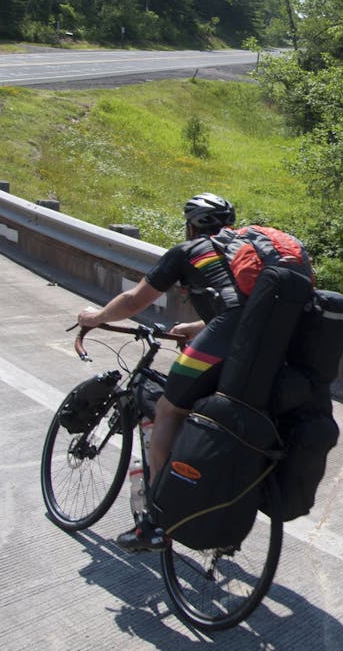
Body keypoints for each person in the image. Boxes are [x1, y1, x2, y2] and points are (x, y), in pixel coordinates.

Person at [76, 192, 249, 552]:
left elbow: (134, 300)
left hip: (226, 341)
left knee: (170, 409)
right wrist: (198, 327)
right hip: (257, 350)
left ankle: (154, 524)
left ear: (191, 225)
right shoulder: (244, 254)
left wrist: (93, 318)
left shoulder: (188, 252)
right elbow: (237, 308)